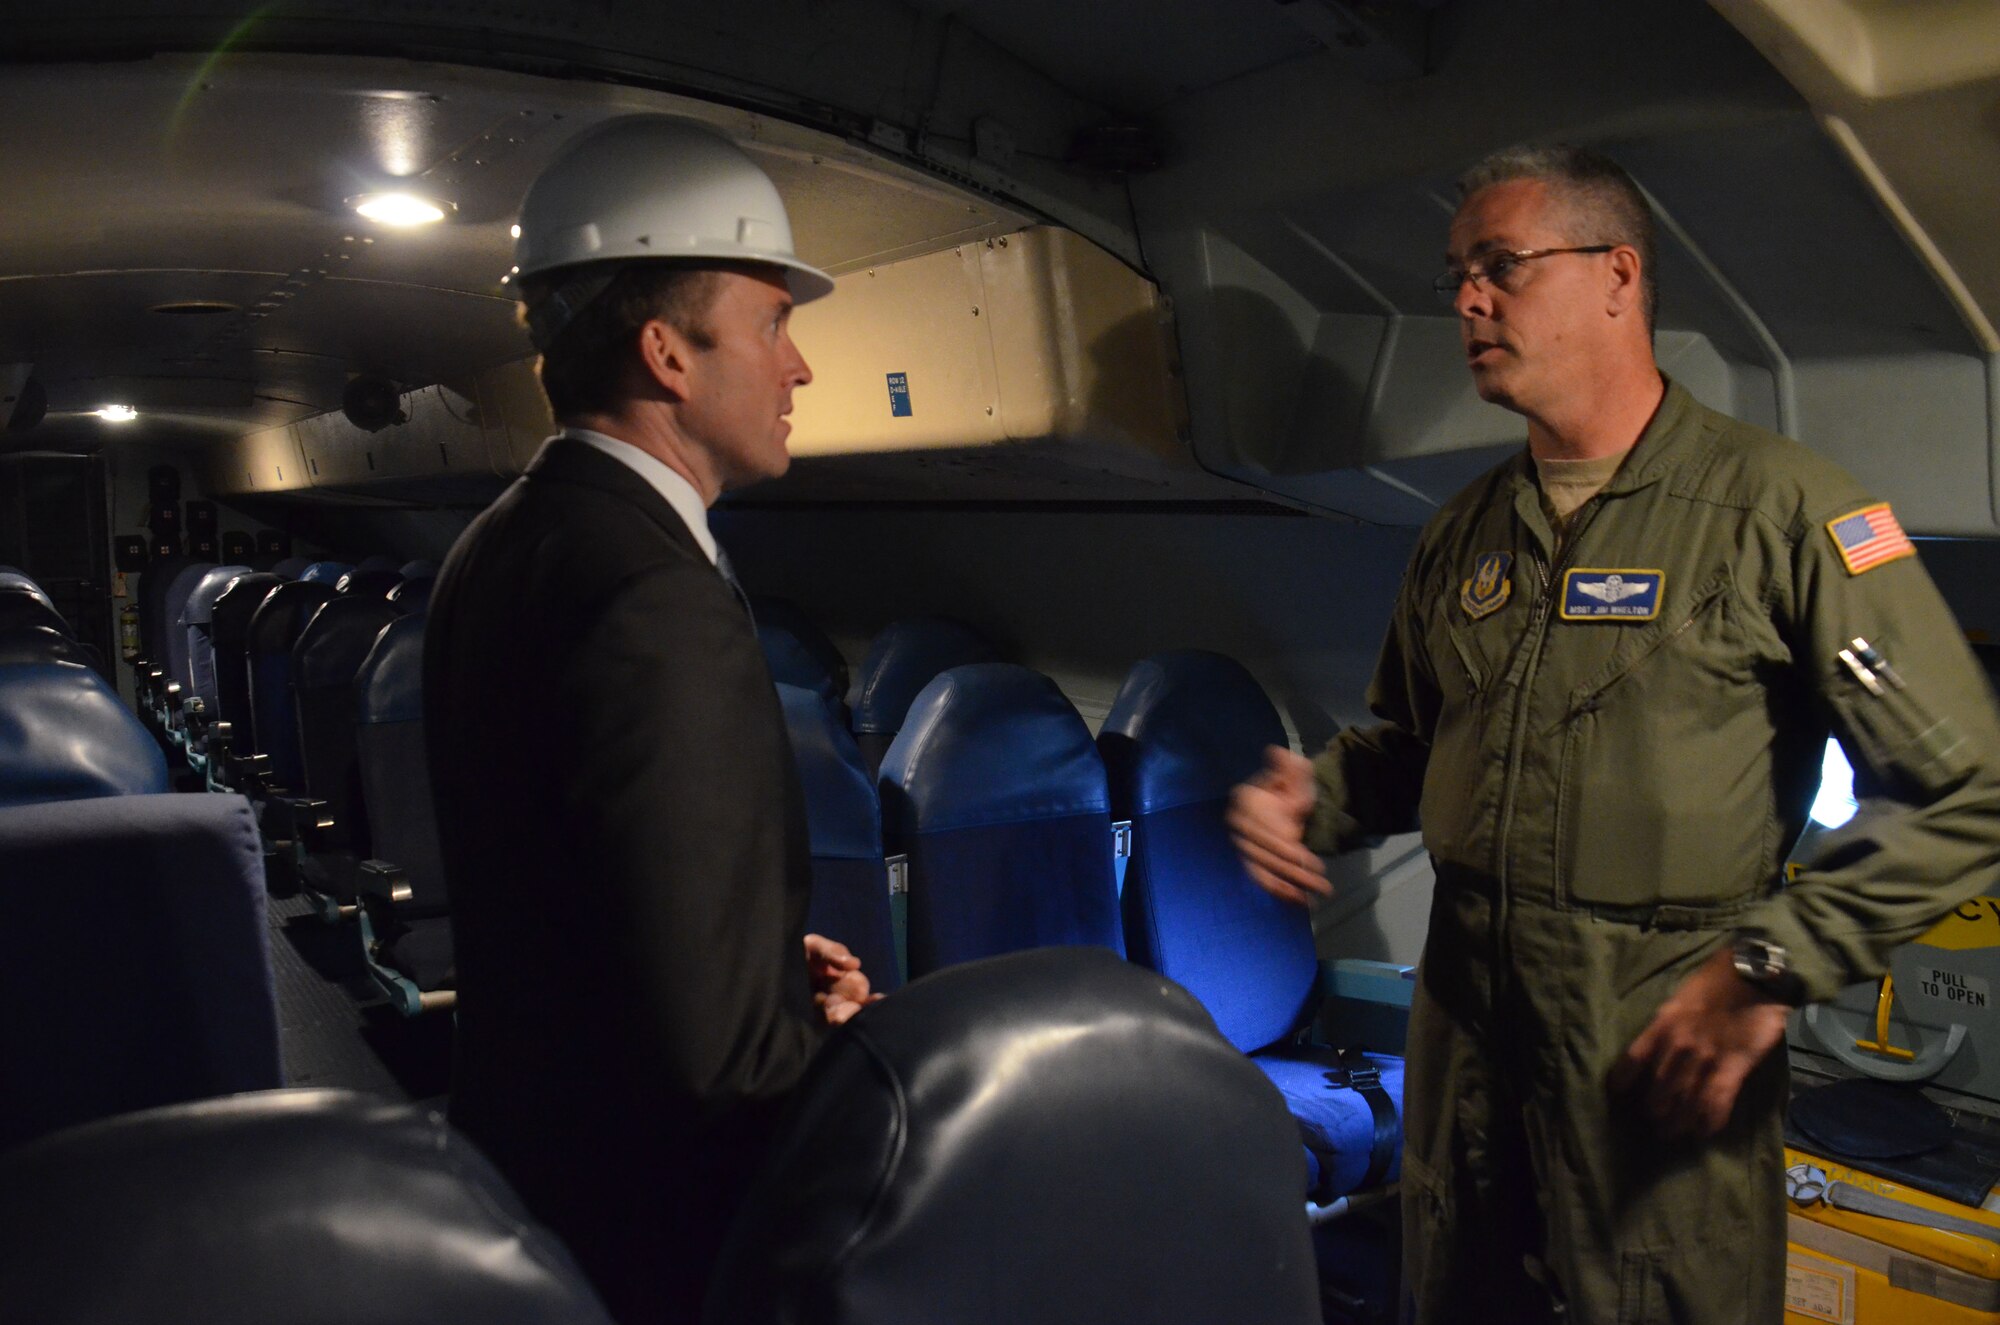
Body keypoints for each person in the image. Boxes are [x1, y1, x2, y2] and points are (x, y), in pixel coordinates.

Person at [1228, 143, 2000, 1323]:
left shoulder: (1785, 513)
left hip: (1655, 1019)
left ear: (1616, 276)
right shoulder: (1462, 533)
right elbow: (1410, 740)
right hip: (1465, 1014)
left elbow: (1962, 788)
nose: (1467, 301)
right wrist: (1312, 798)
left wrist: (1768, 968)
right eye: (1454, 277)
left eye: (1499, 266)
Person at [424, 116, 876, 1323]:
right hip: (658, 1231)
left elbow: (576, 889)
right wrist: (837, 1048)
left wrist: (764, 969)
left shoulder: (504, 540)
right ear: (667, 353)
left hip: (534, 1173)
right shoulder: (655, 595)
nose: (800, 368)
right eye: (774, 323)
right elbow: (712, 1072)